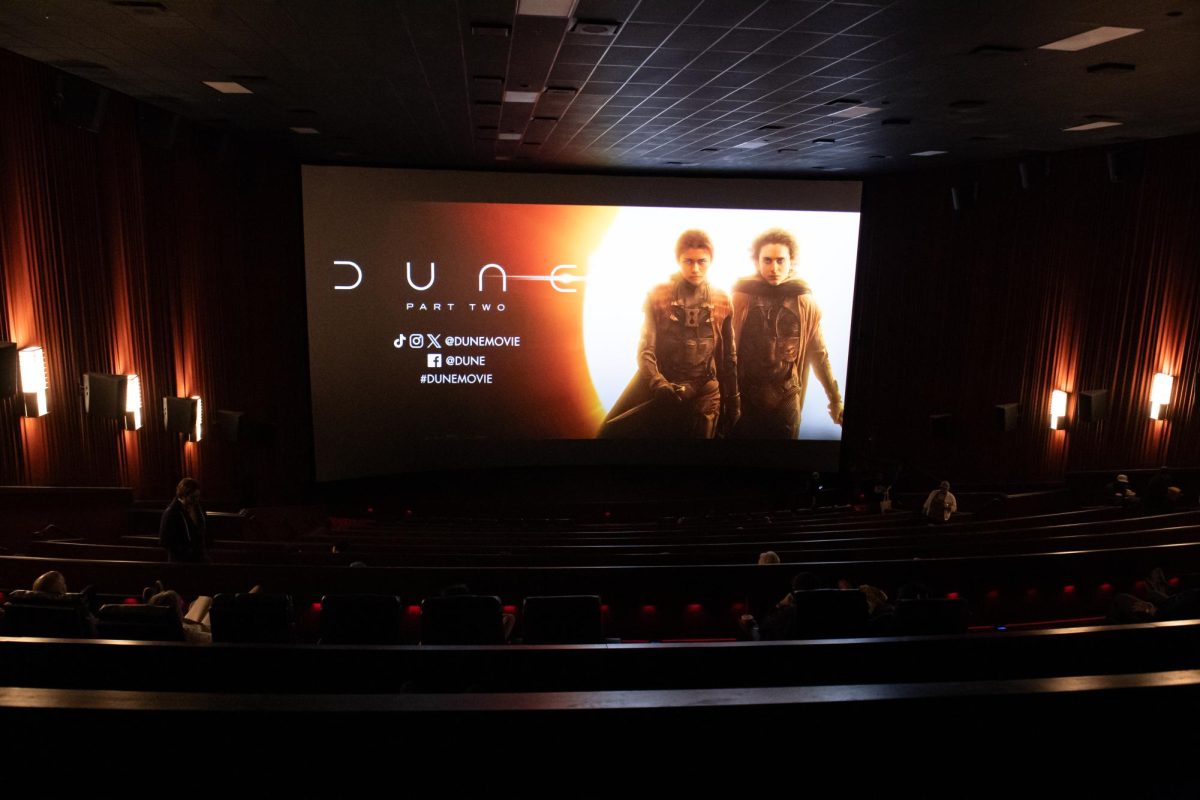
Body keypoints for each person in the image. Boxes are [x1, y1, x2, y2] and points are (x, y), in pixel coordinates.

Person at [599, 229, 738, 438]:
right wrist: (659, 383)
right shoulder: (659, 297)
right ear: (678, 260)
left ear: (711, 261)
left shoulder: (722, 300)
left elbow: (729, 357)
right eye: (688, 261)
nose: (695, 268)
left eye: (702, 261)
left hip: (705, 392)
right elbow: (646, 350)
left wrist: (734, 401)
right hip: (668, 389)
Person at [730, 228, 842, 439]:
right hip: (745, 394)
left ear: (792, 261)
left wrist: (835, 399)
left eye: (781, 260)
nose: (774, 268)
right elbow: (724, 349)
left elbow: (819, 354)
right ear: (757, 261)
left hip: (785, 395)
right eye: (768, 260)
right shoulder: (741, 297)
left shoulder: (803, 301)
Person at [159, 477, 211, 563]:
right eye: (193, 497)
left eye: (198, 496)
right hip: (180, 562)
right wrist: (185, 551)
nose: (196, 500)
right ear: (182, 495)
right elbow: (164, 541)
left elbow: (204, 529)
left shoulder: (198, 508)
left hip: (199, 558)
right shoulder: (171, 513)